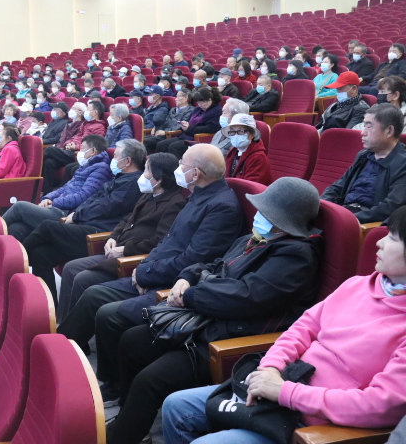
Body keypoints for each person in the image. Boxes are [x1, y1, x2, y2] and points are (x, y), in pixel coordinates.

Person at [162, 203, 406, 444]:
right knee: (176, 406)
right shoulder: (357, 285)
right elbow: (302, 328)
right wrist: (270, 367)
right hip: (282, 385)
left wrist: (285, 392)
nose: (379, 242)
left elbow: (380, 405)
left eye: (393, 239)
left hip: (314, 423)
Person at [106, 177, 322, 444]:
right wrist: (187, 277)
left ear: (283, 220)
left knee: (149, 380)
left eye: (265, 212)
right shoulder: (255, 239)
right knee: (131, 341)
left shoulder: (296, 257)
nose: (257, 215)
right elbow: (215, 264)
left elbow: (245, 297)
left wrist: (190, 295)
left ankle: (124, 436)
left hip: (228, 338)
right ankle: (129, 417)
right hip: (205, 320)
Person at [58, 144, 242, 378]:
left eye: (182, 164)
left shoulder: (221, 207)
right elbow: (166, 242)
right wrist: (144, 268)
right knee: (93, 294)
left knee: (107, 314)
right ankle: (60, 351)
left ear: (195, 173)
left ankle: (110, 383)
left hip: (175, 284)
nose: (178, 168)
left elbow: (194, 259)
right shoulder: (198, 196)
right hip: (155, 271)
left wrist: (148, 273)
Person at [56, 153, 186, 322]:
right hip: (116, 250)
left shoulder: (174, 203)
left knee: (82, 278)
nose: (142, 175)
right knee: (71, 268)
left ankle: (76, 331)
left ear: (159, 178)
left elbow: (159, 241)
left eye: (147, 170)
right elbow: (127, 219)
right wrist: (113, 237)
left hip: (132, 259)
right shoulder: (148, 194)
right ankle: (63, 321)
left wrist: (125, 250)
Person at [24, 139, 146, 302]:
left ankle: (15, 264)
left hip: (98, 233)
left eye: (116, 156)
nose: (113, 159)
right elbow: (91, 200)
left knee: (47, 227)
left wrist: (76, 216)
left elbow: (106, 207)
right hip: (86, 224)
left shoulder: (132, 184)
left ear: (128, 161)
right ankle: (48, 304)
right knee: (41, 254)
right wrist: (77, 214)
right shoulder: (118, 177)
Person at [4, 134, 112, 242]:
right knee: (16, 228)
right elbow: (64, 188)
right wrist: (47, 198)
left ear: (93, 151)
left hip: (67, 213)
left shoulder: (101, 169)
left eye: (82, 148)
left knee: (19, 207)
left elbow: (84, 196)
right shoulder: (86, 166)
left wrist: (54, 203)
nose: (79, 152)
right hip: (60, 206)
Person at [321, 103, 406, 223]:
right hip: (344, 212)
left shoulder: (402, 163)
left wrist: (348, 219)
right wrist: (322, 206)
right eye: (364, 125)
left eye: (369, 126)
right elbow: (338, 187)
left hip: (365, 222)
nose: (362, 132)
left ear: (389, 131)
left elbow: (390, 207)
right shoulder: (364, 155)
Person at [42, 101, 107, 193]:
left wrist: (76, 147)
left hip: (78, 154)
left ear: (95, 112)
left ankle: (33, 173)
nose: (86, 112)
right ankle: (46, 192)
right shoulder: (86, 124)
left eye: (88, 109)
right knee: (49, 162)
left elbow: (95, 144)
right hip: (70, 151)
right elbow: (76, 137)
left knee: (49, 150)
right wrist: (68, 143)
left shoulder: (99, 126)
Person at [156, 86, 223, 157]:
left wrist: (189, 128)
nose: (199, 105)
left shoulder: (217, 111)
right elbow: (189, 121)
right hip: (186, 135)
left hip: (198, 138)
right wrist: (185, 124)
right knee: (161, 144)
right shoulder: (197, 109)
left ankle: (178, 164)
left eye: (202, 102)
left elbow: (211, 128)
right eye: (198, 102)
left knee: (174, 147)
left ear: (209, 100)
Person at [222, 113, 272, 185]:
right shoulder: (233, 152)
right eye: (232, 131)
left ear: (252, 134)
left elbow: (250, 187)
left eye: (240, 131)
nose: (235, 135)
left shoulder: (258, 157)